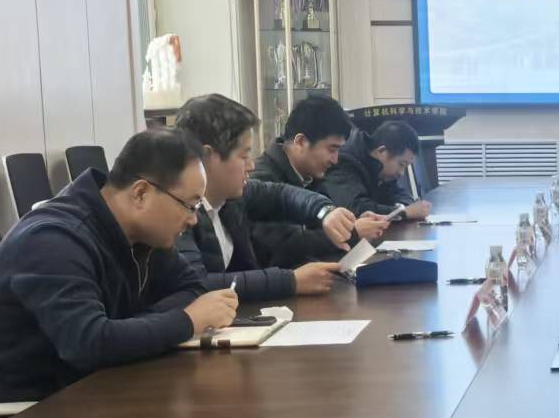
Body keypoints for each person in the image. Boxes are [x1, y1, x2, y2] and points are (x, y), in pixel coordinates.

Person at [0, 129, 239, 407]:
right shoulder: (53, 239)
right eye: (189, 205)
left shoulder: (143, 235)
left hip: (85, 392)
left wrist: (133, 326)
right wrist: (186, 321)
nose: (193, 220)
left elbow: (192, 287)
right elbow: (87, 343)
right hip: (15, 416)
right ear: (140, 193)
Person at [172, 93, 354, 300]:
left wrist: (325, 212)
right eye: (244, 156)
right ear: (207, 157)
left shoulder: (231, 197)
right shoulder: (179, 214)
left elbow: (281, 195)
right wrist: (290, 281)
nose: (251, 165)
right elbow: (198, 283)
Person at [250, 94, 387, 264]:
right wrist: (351, 233)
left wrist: (349, 224)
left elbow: (319, 224)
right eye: (331, 149)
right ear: (301, 142)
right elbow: (279, 247)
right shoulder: (261, 180)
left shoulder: (310, 175)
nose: (335, 160)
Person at [323, 118, 434, 222]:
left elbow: (399, 194)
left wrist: (407, 207)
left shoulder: (381, 170)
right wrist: (403, 213)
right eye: (401, 164)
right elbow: (355, 208)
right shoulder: (345, 162)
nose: (401, 173)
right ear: (382, 151)